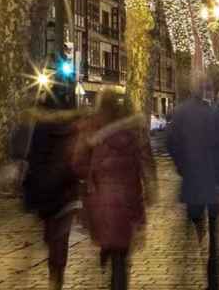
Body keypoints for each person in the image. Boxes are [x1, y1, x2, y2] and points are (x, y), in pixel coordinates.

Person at [73, 90, 155, 290]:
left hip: (99, 203)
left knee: (109, 243)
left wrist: (91, 172)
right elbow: (146, 165)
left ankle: (105, 255)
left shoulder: (91, 129)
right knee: (121, 258)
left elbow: (77, 164)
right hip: (128, 202)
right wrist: (151, 189)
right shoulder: (134, 133)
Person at [167, 86, 219, 290]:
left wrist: (182, 167)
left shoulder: (181, 113)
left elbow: (171, 143)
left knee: (194, 228)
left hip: (192, 182)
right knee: (214, 236)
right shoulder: (213, 114)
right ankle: (213, 279)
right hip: (212, 183)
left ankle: (187, 270)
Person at [18, 98, 83, 290]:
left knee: (50, 235)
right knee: (60, 240)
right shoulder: (72, 130)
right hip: (65, 193)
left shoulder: (36, 130)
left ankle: (52, 273)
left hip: (43, 193)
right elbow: (76, 162)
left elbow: (30, 160)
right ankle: (56, 278)